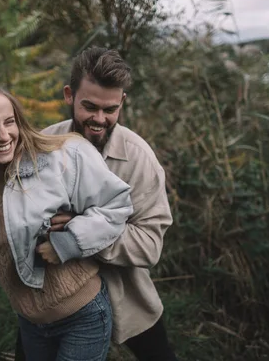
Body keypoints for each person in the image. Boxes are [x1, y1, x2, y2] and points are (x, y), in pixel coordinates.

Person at [0, 76, 134, 361]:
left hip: (82, 316)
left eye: (9, 122)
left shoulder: (62, 158)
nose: (4, 135)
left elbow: (117, 206)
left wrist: (68, 242)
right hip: (29, 322)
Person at [16, 47, 178, 360]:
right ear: (69, 95)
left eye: (110, 109)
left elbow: (149, 246)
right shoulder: (44, 144)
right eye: (89, 106)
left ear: (122, 103)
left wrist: (80, 232)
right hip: (53, 295)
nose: (99, 119)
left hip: (125, 295)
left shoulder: (139, 159)